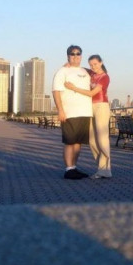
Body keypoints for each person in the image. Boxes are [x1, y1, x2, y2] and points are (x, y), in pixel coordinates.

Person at [64, 54, 112, 179]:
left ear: (101, 63)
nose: (93, 66)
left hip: (101, 107)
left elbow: (92, 93)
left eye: (95, 64)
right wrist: (68, 65)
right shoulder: (91, 73)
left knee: (102, 139)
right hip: (90, 108)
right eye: (91, 64)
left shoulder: (104, 77)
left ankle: (105, 170)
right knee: (91, 140)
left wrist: (73, 88)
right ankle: (101, 168)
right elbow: (79, 68)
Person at [52, 45, 93, 179]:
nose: (75, 56)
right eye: (72, 54)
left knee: (78, 142)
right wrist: (60, 110)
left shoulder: (86, 72)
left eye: (78, 54)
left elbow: (101, 71)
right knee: (69, 142)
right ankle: (68, 169)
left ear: (81, 55)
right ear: (68, 56)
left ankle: (74, 167)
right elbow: (56, 91)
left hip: (85, 112)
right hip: (70, 112)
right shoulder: (62, 71)